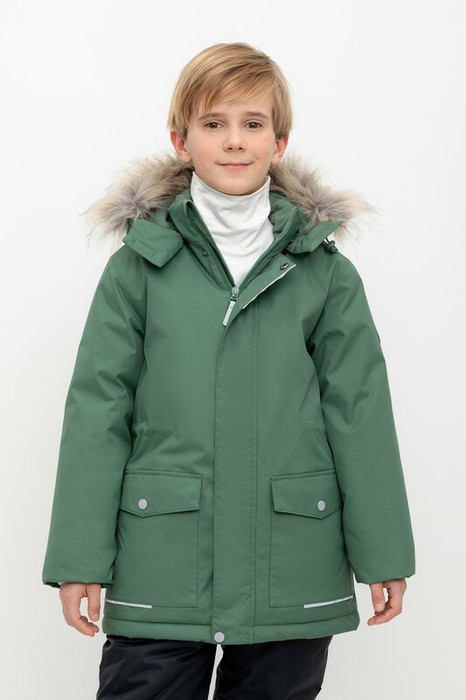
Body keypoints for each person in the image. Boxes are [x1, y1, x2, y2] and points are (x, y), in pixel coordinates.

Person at [42, 42, 415, 699]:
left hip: (288, 567)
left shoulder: (324, 273)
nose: (235, 141)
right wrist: (79, 559)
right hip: (162, 564)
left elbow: (359, 411)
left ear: (280, 141)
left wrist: (383, 553)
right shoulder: (138, 268)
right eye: (214, 123)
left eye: (253, 123)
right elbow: (98, 411)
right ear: (181, 141)